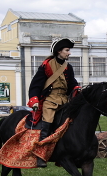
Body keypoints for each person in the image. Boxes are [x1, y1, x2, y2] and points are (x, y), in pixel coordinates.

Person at [27, 38, 81, 167]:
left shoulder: (68, 67)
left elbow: (72, 83)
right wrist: (34, 99)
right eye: (67, 50)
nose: (69, 53)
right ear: (59, 51)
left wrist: (77, 89)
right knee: (47, 126)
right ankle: (40, 155)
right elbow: (36, 84)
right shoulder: (46, 65)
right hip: (50, 101)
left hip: (64, 100)